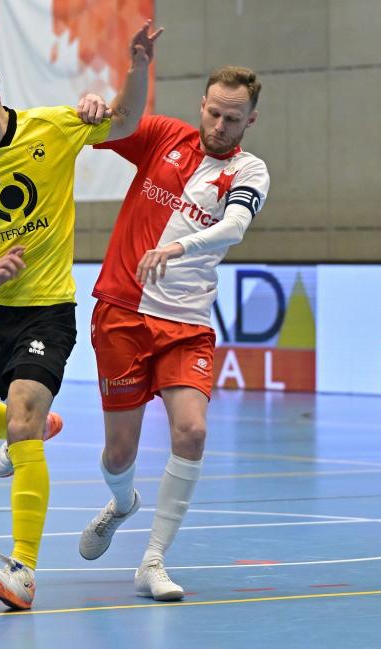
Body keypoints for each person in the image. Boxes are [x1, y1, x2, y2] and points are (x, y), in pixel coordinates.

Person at [0, 22, 163, 610]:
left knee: (23, 421)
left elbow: (125, 121)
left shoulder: (52, 129)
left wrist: (135, 68)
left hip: (48, 310)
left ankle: (23, 571)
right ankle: (29, 426)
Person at [76, 66, 270, 601]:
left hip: (187, 322)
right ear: (201, 104)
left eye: (233, 119)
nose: (220, 125)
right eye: (214, 113)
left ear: (250, 121)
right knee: (119, 455)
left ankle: (153, 560)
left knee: (192, 431)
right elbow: (113, 124)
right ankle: (122, 503)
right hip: (122, 312)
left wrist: (179, 247)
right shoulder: (163, 136)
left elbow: (235, 226)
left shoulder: (249, 170)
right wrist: (100, 100)